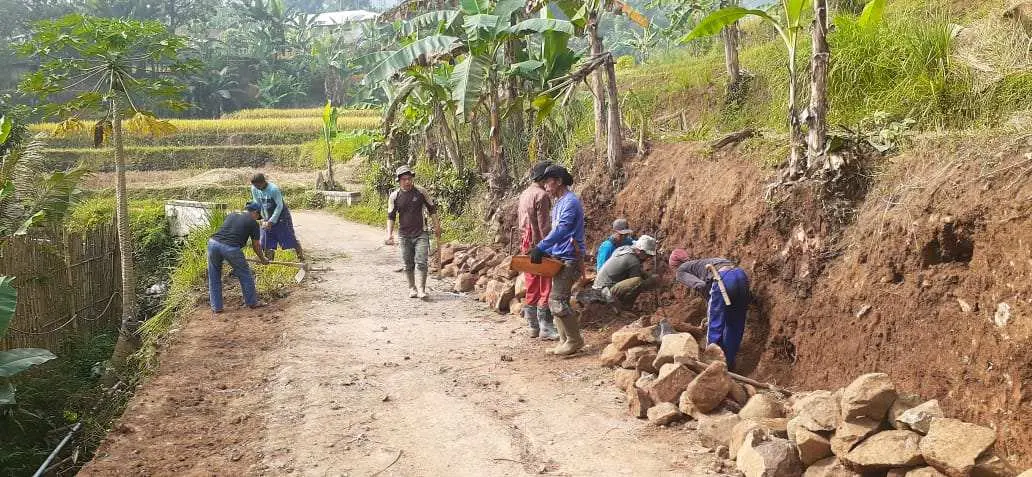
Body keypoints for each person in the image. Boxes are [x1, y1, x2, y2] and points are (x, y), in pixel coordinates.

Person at [529, 165, 586, 356]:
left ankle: (574, 340)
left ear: (559, 181)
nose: (545, 185)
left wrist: (542, 247)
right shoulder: (559, 203)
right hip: (560, 257)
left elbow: (562, 230)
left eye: (548, 181)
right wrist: (547, 251)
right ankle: (564, 340)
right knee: (558, 300)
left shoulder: (570, 202)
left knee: (557, 300)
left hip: (570, 258)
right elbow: (558, 234)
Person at [669, 249, 751, 370]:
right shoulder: (701, 263)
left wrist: (712, 306)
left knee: (715, 326)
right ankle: (729, 363)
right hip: (741, 276)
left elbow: (700, 285)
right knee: (735, 324)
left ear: (674, 265)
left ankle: (712, 366)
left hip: (723, 279)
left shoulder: (680, 271)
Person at [517, 161, 559, 340]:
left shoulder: (525, 193)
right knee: (545, 286)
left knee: (531, 284)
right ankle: (546, 328)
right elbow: (544, 227)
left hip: (525, 245)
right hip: (539, 245)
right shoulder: (542, 196)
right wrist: (548, 247)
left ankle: (532, 327)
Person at [385, 165, 440, 300]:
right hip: (404, 235)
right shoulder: (394, 196)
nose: (407, 182)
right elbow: (391, 216)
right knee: (408, 263)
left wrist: (437, 226)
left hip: (421, 233)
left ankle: (421, 289)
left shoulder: (421, 192)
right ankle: (412, 288)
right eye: (404, 179)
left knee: (421, 261)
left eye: (409, 179)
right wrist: (389, 234)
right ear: (399, 181)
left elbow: (432, 209)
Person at [207, 202, 268, 313]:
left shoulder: (232, 214)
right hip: (230, 248)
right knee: (245, 274)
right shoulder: (253, 223)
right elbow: (256, 245)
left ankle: (216, 307)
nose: (259, 218)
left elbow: (228, 232)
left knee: (214, 276)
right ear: (255, 212)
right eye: (259, 216)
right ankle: (252, 302)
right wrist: (263, 259)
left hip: (213, 244)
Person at [250, 173, 306, 265]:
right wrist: (263, 219)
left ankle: (301, 257)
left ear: (263, 182)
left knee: (289, 237)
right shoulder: (254, 188)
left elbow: (279, 206)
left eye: (258, 185)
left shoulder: (273, 189)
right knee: (265, 238)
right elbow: (257, 204)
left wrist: (272, 221)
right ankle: (269, 260)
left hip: (281, 216)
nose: (257, 188)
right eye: (255, 186)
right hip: (267, 215)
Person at [592, 235, 660, 308]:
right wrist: (651, 281)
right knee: (637, 281)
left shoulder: (624, 249)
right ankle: (626, 306)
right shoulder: (633, 260)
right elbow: (637, 283)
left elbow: (638, 271)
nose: (648, 258)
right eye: (648, 255)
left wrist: (648, 276)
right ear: (641, 251)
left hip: (598, 287)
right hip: (605, 293)